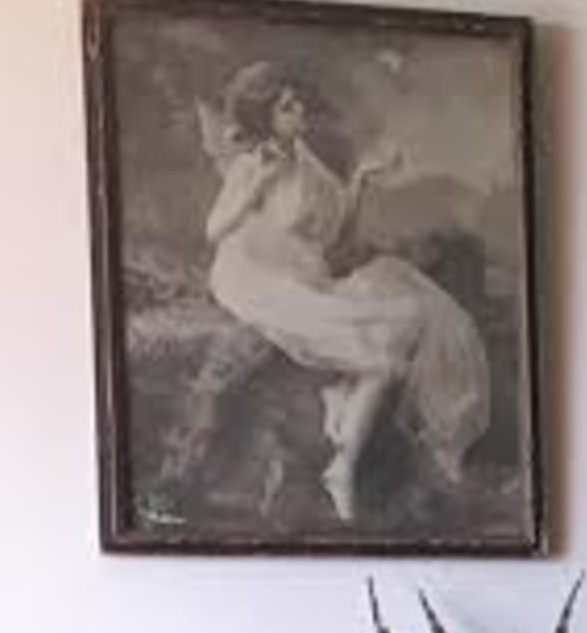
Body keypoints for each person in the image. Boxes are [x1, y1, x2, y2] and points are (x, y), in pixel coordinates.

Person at [200, 63, 491, 523]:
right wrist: (258, 182)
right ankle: (342, 444)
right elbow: (214, 230)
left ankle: (341, 444)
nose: (299, 111)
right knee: (383, 359)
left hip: (304, 274)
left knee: (411, 314)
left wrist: (360, 179)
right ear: (265, 118)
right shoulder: (252, 163)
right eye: (286, 106)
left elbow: (337, 237)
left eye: (296, 103)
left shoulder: (305, 156)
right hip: (254, 275)